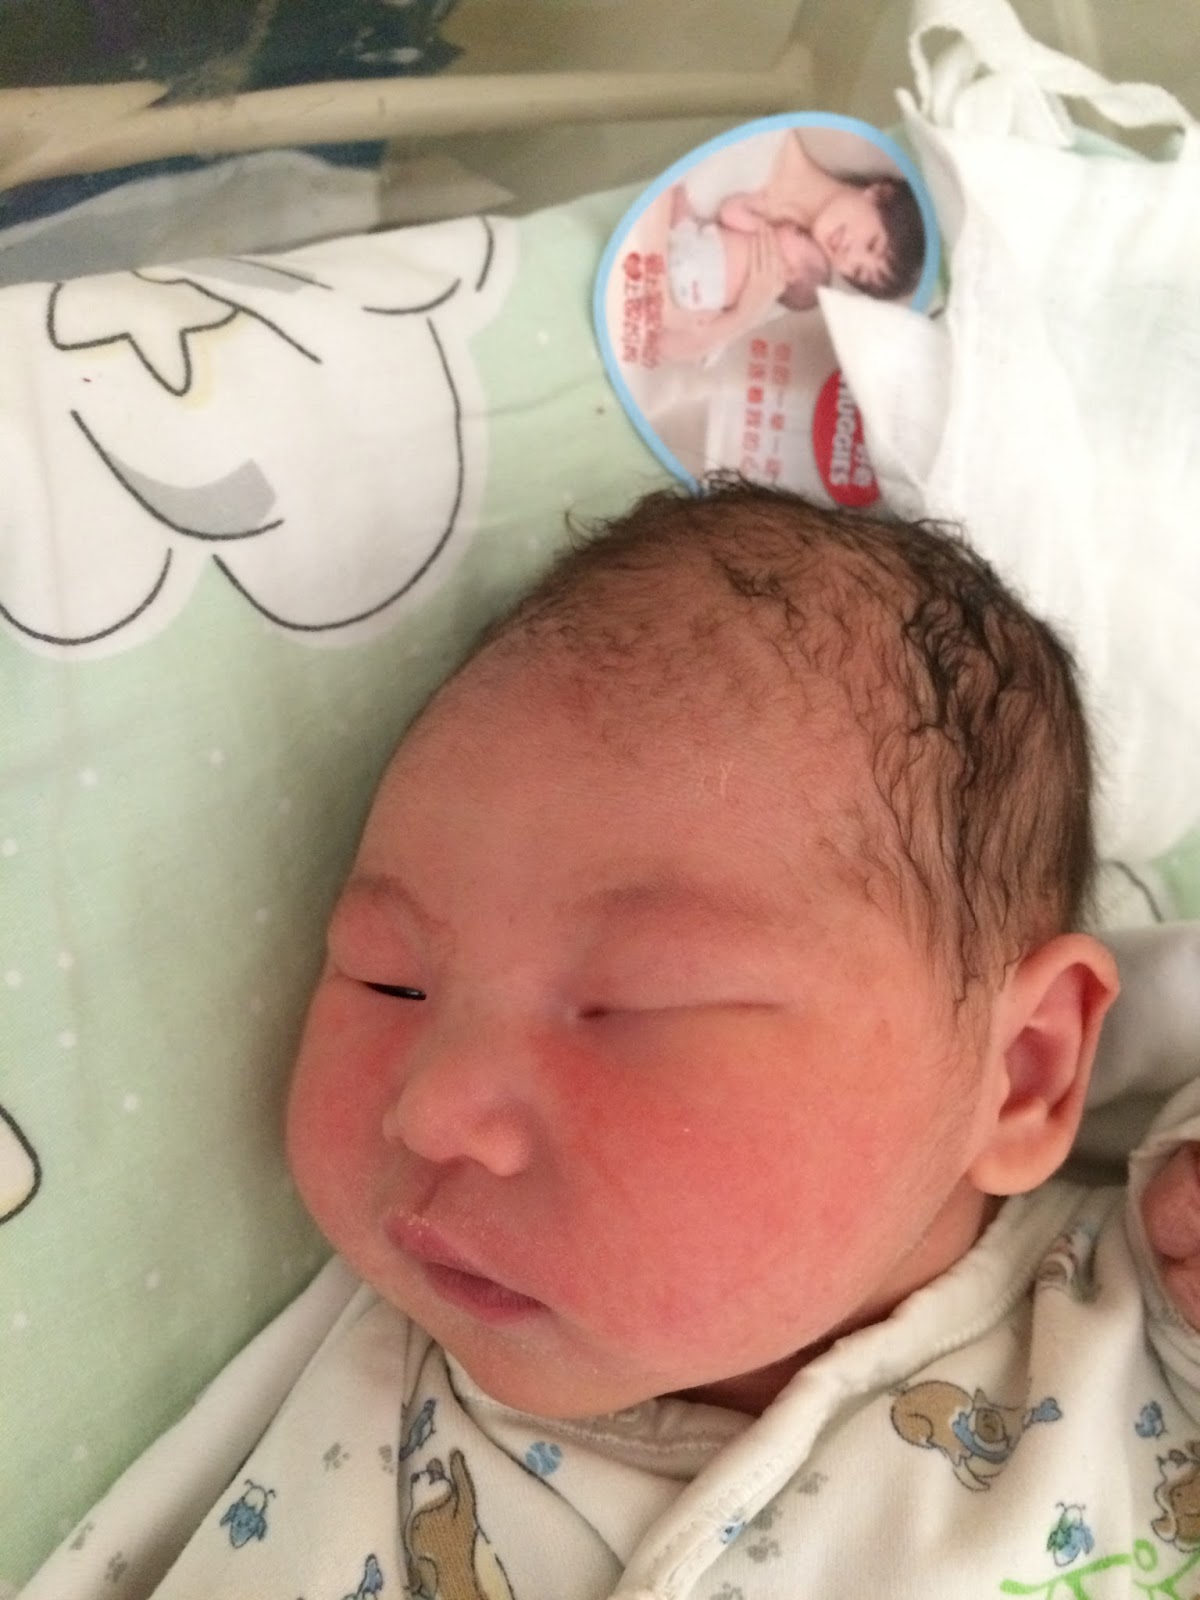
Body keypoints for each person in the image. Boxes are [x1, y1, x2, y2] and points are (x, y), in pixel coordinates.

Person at [21, 481, 1200, 1600]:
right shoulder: (367, 1392)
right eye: (390, 980)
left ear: (1022, 1068)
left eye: (636, 1006)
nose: (429, 1110)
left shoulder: (1137, 1332)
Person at [647, 130, 926, 363]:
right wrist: (666, 304)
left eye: (857, 271)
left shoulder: (792, 280)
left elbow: (667, 349)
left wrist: (744, 314)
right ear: (880, 193)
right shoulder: (765, 139)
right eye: (871, 244)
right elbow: (656, 171)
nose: (848, 255)